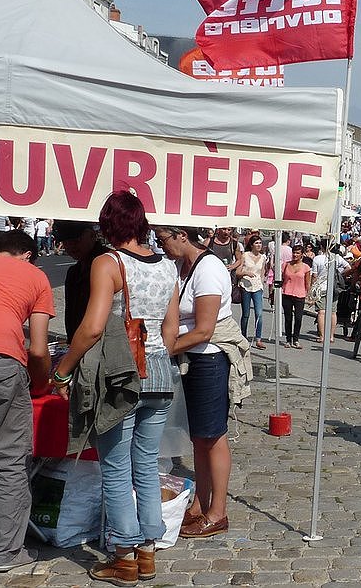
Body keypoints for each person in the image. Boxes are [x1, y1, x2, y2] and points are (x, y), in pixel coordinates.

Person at [52, 192, 179, 585]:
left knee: (116, 467)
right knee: (147, 465)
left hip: (121, 376)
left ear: (106, 225)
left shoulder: (109, 263)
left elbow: (92, 327)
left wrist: (63, 371)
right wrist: (155, 359)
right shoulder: (167, 266)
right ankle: (147, 551)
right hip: (160, 374)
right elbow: (171, 329)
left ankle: (123, 555)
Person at [0, 230, 54, 572]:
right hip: (0, 362)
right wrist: (41, 385)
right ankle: (6, 553)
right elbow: (38, 349)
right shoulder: (35, 276)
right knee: (9, 461)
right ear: (28, 254)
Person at [157, 226, 246, 539]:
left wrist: (162, 349)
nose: (161, 245)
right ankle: (200, 502)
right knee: (199, 437)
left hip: (209, 359)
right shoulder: (182, 265)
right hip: (192, 358)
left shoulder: (208, 268)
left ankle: (217, 512)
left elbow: (204, 330)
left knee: (213, 435)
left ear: (182, 235)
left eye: (163, 239)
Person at [309, 240, 349, 344]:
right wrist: (339, 275)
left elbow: (314, 276)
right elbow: (348, 267)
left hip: (320, 287)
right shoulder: (336, 257)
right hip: (334, 287)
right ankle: (331, 336)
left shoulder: (317, 258)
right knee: (333, 312)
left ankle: (322, 336)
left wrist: (311, 289)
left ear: (322, 247)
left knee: (321, 312)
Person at [236, 235, 268, 350]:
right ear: (251, 245)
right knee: (246, 314)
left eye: (260, 243)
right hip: (245, 286)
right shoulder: (245, 255)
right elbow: (238, 272)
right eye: (256, 243)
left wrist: (262, 283)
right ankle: (243, 337)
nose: (259, 245)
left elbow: (263, 272)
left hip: (257, 286)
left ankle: (258, 339)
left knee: (259, 313)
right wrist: (246, 273)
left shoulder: (263, 257)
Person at [281, 242, 312, 348]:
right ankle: (288, 339)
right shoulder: (285, 265)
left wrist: (309, 296)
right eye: (294, 252)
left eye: (298, 253)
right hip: (287, 293)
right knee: (288, 318)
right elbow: (281, 279)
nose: (295, 255)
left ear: (302, 254)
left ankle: (296, 339)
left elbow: (308, 283)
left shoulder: (306, 267)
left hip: (300, 295)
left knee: (298, 318)